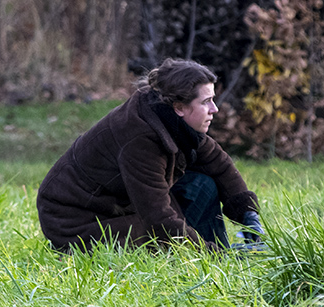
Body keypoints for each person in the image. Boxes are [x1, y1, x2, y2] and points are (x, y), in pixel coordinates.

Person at [36, 58, 267, 253]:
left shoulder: (169, 115)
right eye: (206, 102)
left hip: (119, 204)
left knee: (203, 185)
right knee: (154, 234)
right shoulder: (139, 141)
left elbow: (218, 164)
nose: (214, 109)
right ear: (179, 107)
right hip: (76, 222)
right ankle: (215, 257)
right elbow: (159, 220)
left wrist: (248, 215)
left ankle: (218, 259)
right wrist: (211, 253)